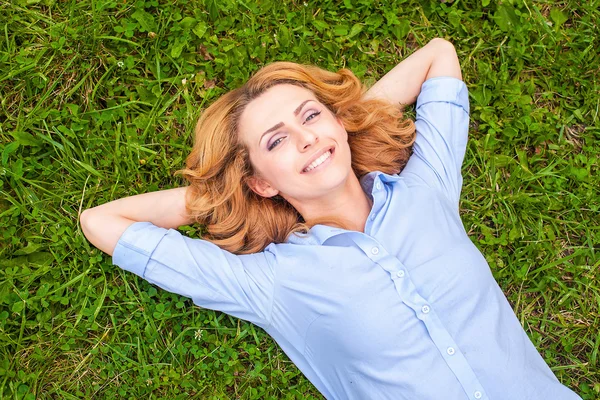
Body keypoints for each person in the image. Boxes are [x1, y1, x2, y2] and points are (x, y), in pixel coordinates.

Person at [80, 38, 581, 399]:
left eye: (310, 115)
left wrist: (345, 124)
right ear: (262, 182)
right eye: (276, 141)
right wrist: (221, 195)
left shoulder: (426, 188)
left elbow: (438, 55)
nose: (305, 138)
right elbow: (102, 221)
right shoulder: (273, 281)